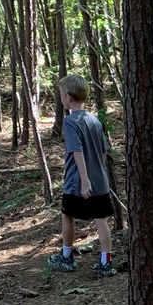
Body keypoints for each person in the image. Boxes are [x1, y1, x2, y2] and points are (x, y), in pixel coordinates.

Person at [46, 74, 117, 277]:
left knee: (66, 214)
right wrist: (97, 172)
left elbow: (76, 151)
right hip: (99, 179)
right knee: (100, 219)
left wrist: (84, 179)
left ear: (68, 97)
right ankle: (106, 261)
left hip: (77, 180)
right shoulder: (94, 120)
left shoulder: (70, 121)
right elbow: (104, 151)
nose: (60, 98)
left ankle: (67, 257)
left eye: (60, 94)